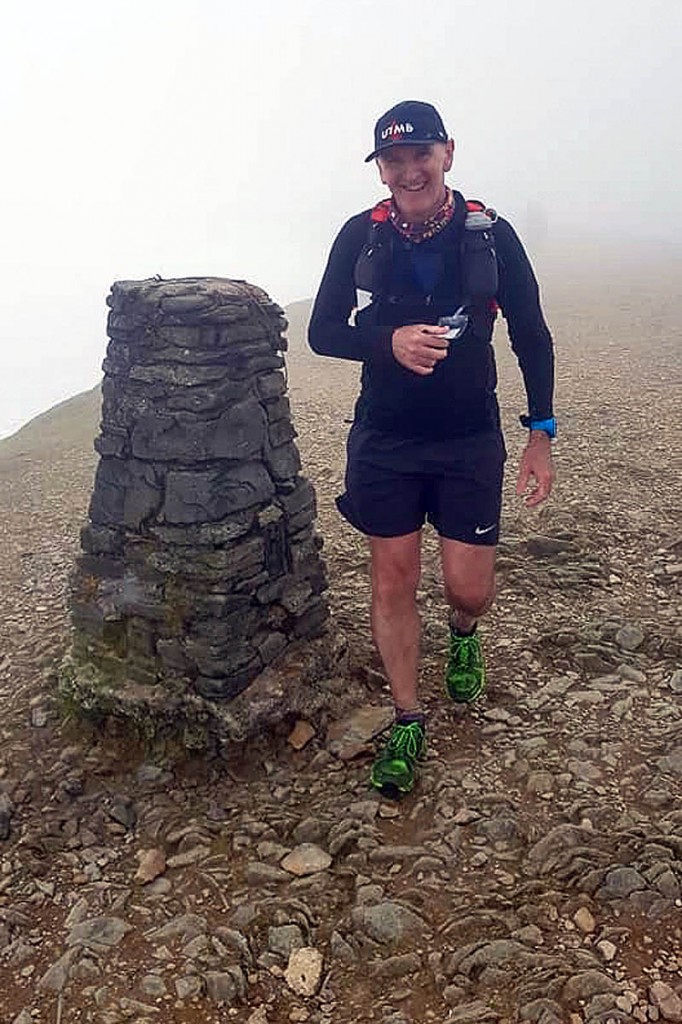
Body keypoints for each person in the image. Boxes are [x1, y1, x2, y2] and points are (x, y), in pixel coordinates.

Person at [308, 100, 555, 797]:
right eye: (394, 159)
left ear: (448, 152)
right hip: (384, 438)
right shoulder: (362, 236)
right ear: (380, 169)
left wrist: (541, 432)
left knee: (466, 588)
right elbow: (323, 331)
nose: (408, 170)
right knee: (393, 579)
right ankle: (408, 717)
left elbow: (531, 333)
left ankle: (464, 633)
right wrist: (384, 341)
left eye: (421, 154)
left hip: (469, 438)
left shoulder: (490, 236)